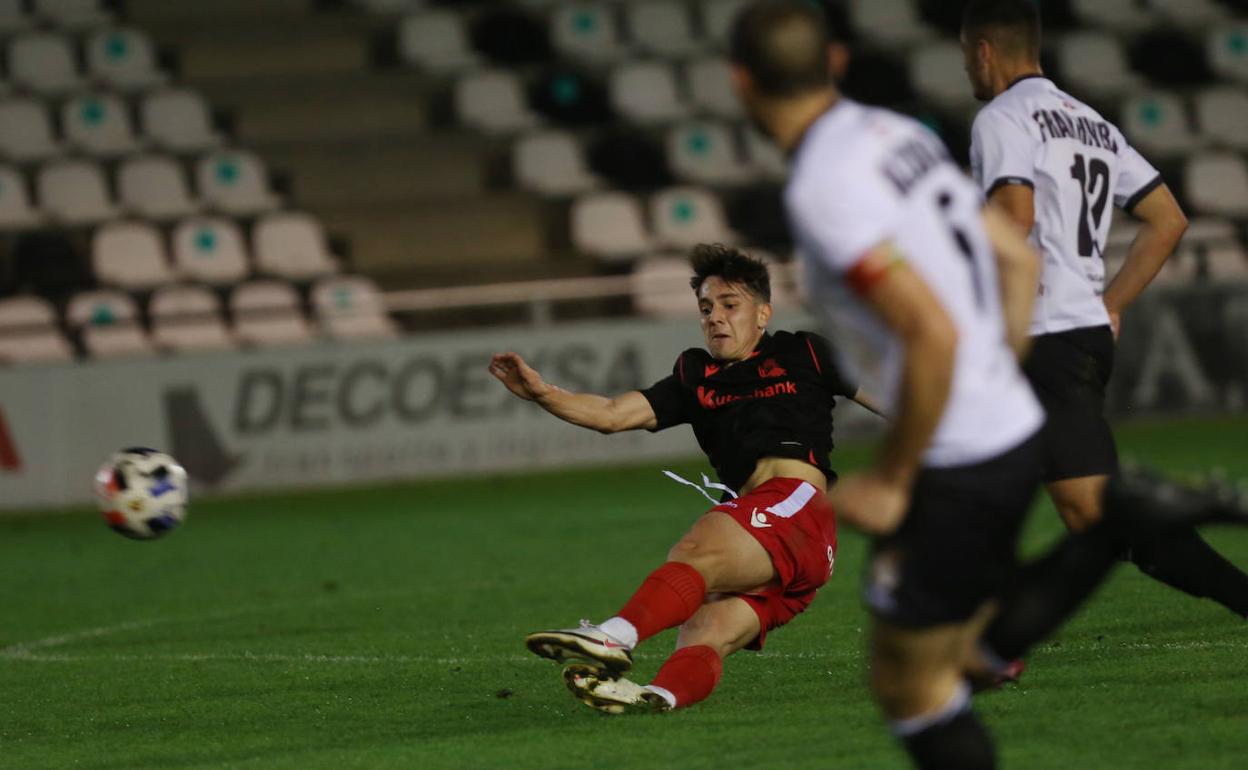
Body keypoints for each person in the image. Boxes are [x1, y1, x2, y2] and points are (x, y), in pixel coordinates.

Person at [729, 2, 1248, 768]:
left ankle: (1123, 520)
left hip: (959, 439)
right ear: (836, 63)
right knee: (946, 666)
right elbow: (1015, 259)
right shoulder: (896, 136)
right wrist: (1003, 365)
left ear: (740, 84)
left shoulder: (826, 185)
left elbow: (937, 324)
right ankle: (1119, 523)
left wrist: (894, 479)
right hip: (1001, 405)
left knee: (916, 682)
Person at [489, 244, 875, 714]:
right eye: (706, 308)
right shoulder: (697, 377)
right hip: (777, 540)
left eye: (730, 305)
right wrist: (542, 393)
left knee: (696, 550)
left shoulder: (805, 353)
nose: (715, 317)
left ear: (762, 313)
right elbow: (613, 414)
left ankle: (613, 637)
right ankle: (659, 696)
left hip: (796, 508)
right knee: (704, 630)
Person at [961, 0, 1248, 621]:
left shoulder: (1002, 119)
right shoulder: (1090, 121)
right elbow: (1168, 220)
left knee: (1096, 513)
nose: (967, 72)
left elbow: (1014, 220)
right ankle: (984, 629)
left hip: (1042, 335)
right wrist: (1110, 303)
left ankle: (1208, 531)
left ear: (983, 50)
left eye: (967, 59)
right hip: (1080, 330)